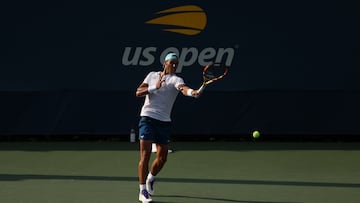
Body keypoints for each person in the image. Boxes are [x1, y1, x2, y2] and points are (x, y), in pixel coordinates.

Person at [135, 52, 200, 202]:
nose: (174, 65)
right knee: (145, 155)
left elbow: (183, 88)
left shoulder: (176, 79)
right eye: (172, 62)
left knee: (162, 158)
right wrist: (153, 87)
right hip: (147, 118)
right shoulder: (152, 75)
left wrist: (192, 92)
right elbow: (138, 92)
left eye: (176, 63)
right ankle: (142, 190)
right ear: (164, 63)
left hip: (164, 122)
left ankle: (151, 177)